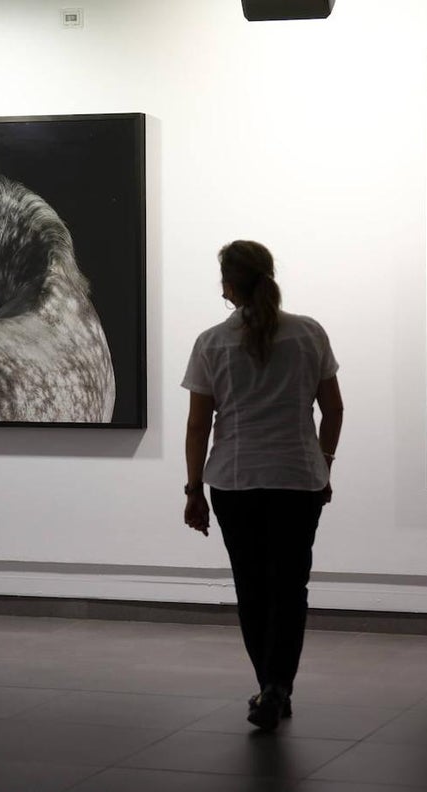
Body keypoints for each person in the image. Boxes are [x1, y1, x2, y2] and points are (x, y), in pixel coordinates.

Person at [181, 240, 343, 731]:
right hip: (298, 479)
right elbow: (332, 409)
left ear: (228, 285)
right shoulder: (309, 333)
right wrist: (325, 464)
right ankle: (277, 685)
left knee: (252, 589)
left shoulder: (212, 342)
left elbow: (198, 426)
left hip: (235, 480)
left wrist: (192, 490)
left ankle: (269, 686)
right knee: (290, 588)